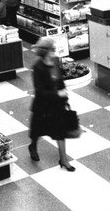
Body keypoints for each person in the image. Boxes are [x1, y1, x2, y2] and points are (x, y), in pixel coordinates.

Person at [28, 37, 75, 172]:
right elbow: (39, 91)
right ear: (45, 51)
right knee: (37, 130)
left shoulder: (55, 61)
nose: (55, 50)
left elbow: (60, 80)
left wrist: (64, 95)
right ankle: (33, 146)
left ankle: (64, 160)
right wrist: (57, 94)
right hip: (42, 106)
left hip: (57, 105)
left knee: (60, 131)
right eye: (52, 49)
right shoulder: (37, 67)